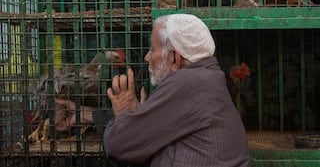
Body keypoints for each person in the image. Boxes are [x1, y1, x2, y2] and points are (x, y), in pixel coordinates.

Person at [55, 13, 249, 167]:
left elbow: (119, 144)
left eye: (152, 49)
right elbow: (150, 132)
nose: (147, 57)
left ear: (174, 58)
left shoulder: (188, 82)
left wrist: (125, 114)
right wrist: (87, 114)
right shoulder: (206, 78)